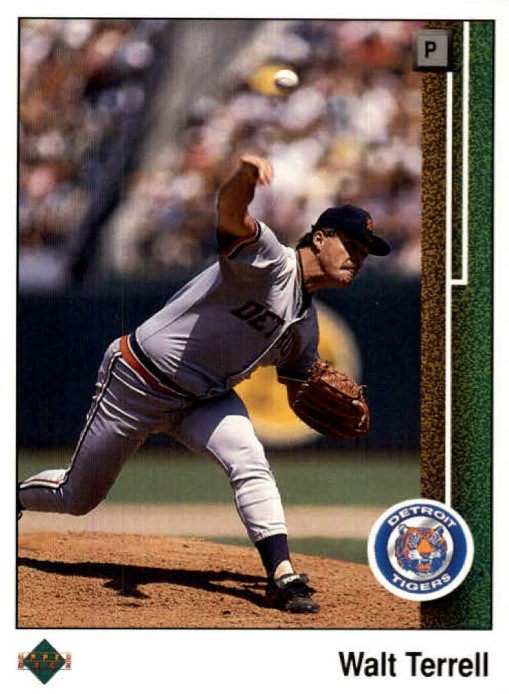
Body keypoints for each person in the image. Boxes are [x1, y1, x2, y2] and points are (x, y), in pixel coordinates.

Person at [17, 154, 390, 614]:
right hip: (137, 382)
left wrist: (317, 398)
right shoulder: (269, 260)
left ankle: (282, 576)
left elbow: (300, 383)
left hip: (204, 400)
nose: (359, 257)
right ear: (319, 238)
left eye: (366, 251)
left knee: (250, 459)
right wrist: (245, 176)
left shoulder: (306, 329)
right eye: (351, 244)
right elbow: (230, 212)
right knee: (77, 498)